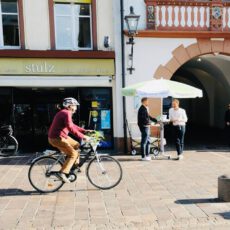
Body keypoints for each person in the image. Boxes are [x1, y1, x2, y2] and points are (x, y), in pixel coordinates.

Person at [48, 97, 92, 183]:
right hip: (57, 138)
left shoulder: (65, 113)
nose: (76, 108)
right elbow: (71, 129)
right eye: (75, 106)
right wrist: (83, 136)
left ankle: (73, 166)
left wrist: (84, 131)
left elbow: (72, 125)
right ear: (69, 106)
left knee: (77, 145)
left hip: (61, 136)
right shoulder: (66, 113)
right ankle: (62, 172)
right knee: (73, 154)